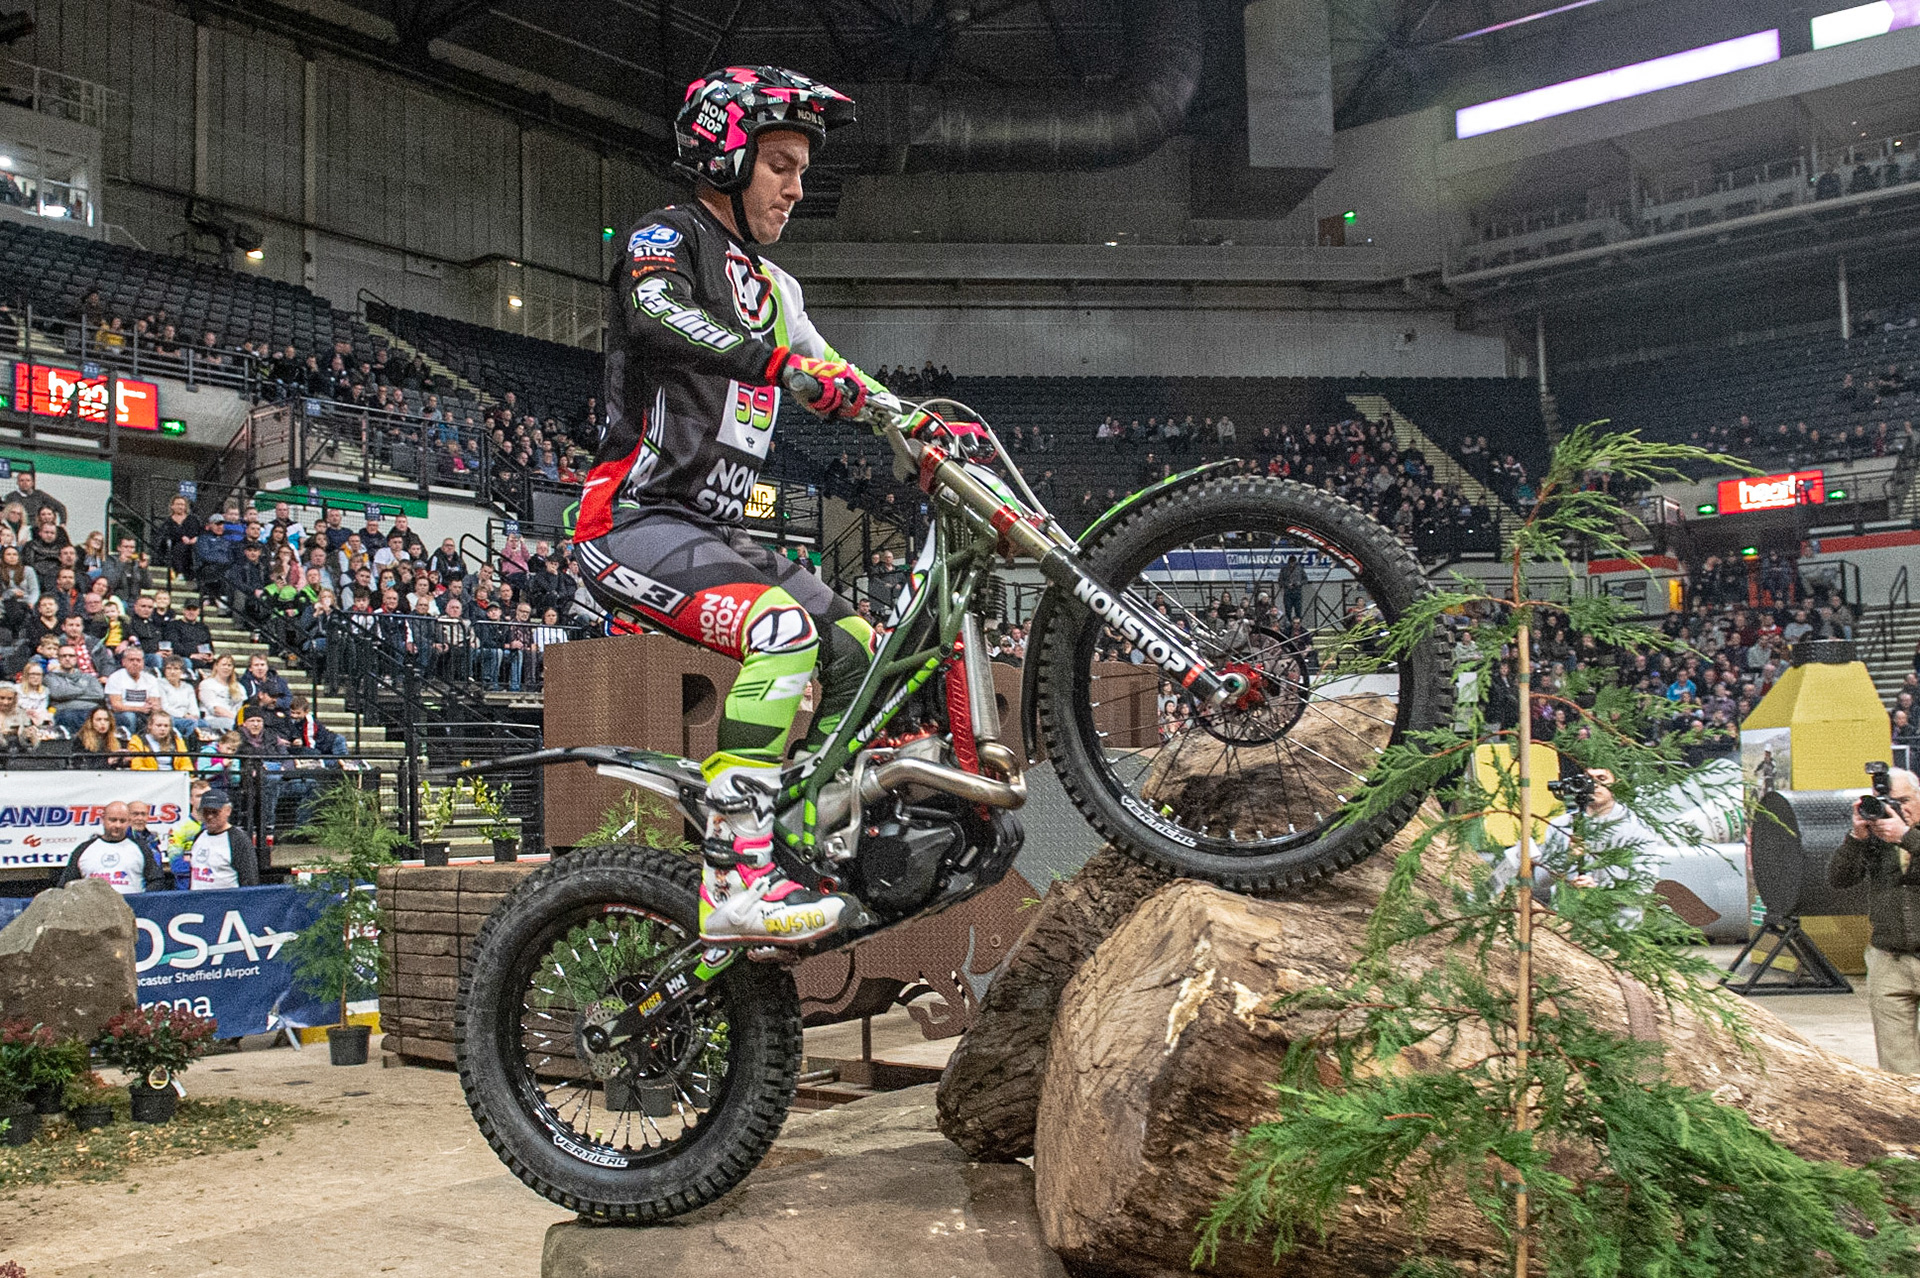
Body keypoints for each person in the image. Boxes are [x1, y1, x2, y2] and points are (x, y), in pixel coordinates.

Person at [574, 67, 893, 944]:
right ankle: (735, 873)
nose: (796, 188)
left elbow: (836, 376)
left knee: (860, 652)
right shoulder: (665, 236)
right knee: (782, 636)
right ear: (725, 156)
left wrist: (916, 425)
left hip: (721, 532)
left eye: (801, 170)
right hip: (630, 520)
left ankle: (795, 838)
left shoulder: (777, 288)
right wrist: (772, 363)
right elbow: (651, 313)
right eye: (781, 165)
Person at [1827, 766, 1920, 1073]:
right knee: (1898, 1069)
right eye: (1888, 802)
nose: (1897, 809)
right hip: (1889, 960)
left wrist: (1907, 838)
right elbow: (1838, 879)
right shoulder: (1875, 838)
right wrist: (1857, 836)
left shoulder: (1903, 835)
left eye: (1904, 800)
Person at [55, 801, 170, 894]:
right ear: (103, 819)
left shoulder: (141, 848)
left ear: (129, 822)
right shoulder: (84, 849)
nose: (117, 825)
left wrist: (142, 901)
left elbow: (157, 881)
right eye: (113, 820)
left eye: (122, 821)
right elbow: (65, 885)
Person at [181, 789, 259, 889]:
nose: (209, 816)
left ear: (228, 811)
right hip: (197, 901)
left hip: (227, 902)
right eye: (205, 812)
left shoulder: (238, 840)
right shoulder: (199, 836)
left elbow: (250, 881)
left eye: (215, 812)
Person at [104, 646, 164, 736]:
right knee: (130, 717)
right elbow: (116, 706)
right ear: (123, 662)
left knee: (162, 718)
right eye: (131, 660)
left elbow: (154, 701)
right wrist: (139, 709)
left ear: (143, 663)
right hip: (121, 715)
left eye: (138, 660)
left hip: (144, 713)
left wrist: (154, 706)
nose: (135, 663)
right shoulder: (115, 677)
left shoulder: (150, 679)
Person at [126, 708, 194, 771]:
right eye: (159, 725)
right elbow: (137, 767)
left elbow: (186, 764)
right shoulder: (137, 741)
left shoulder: (177, 741)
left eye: (166, 726)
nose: (163, 729)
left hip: (174, 778)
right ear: (150, 726)